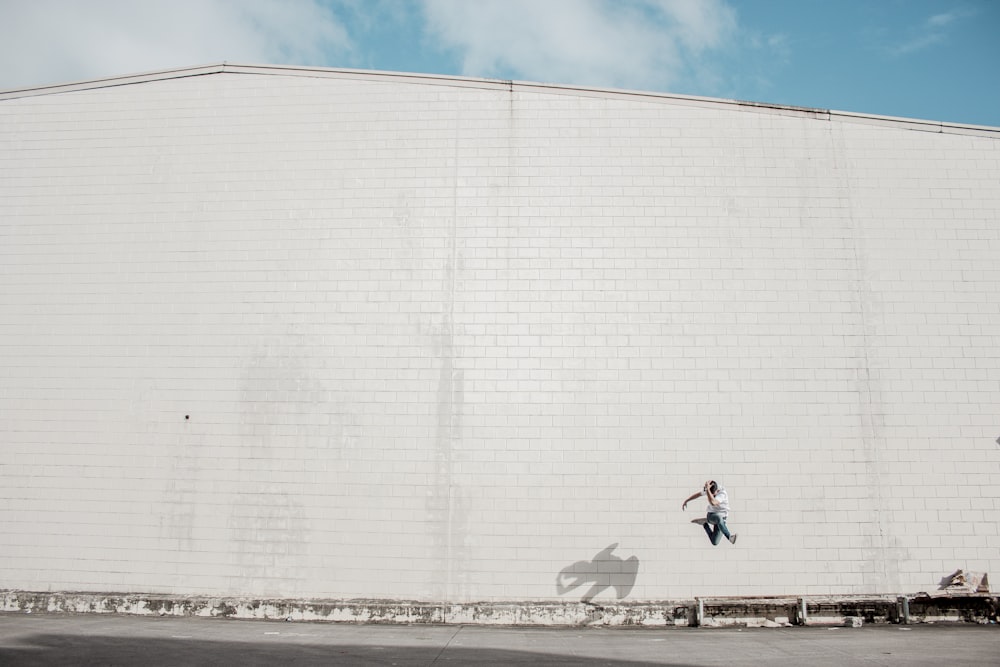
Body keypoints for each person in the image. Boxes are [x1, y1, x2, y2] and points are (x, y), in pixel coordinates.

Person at [682, 480, 737, 545]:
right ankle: (730, 537)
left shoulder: (722, 494)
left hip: (722, 519)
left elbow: (713, 502)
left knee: (715, 542)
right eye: (711, 495)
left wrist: (708, 490)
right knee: (718, 517)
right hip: (712, 515)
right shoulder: (709, 490)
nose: (712, 496)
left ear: (717, 490)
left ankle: (704, 523)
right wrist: (687, 500)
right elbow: (698, 494)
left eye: (714, 495)